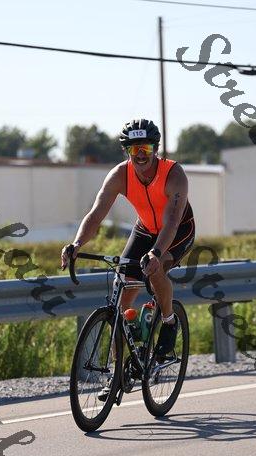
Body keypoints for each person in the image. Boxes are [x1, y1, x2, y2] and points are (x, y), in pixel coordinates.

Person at [61, 118, 195, 358]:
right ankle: (119, 371)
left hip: (178, 230)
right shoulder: (120, 175)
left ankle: (169, 321)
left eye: (146, 148)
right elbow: (96, 214)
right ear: (127, 151)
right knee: (120, 300)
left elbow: (172, 222)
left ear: (156, 149)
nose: (140, 154)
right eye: (134, 149)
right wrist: (77, 243)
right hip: (144, 230)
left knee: (156, 270)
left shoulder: (173, 174)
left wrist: (155, 253)